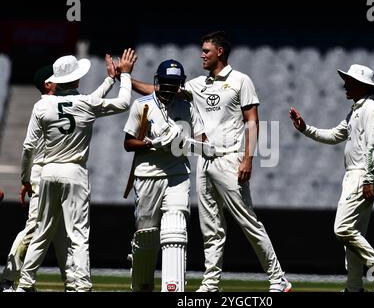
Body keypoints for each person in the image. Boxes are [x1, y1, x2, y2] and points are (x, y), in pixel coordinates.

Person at [128, 31, 291, 292]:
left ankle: (278, 279)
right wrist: (123, 78)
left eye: (206, 50)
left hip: (230, 159)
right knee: (211, 228)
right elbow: (159, 89)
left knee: (247, 221)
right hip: (204, 161)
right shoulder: (197, 84)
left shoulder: (240, 80)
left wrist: (248, 159)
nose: (202, 55)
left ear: (220, 52)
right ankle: (211, 283)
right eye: (202, 50)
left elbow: (252, 120)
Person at [15, 48, 137, 292]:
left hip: (48, 171)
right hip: (74, 172)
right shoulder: (85, 103)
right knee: (78, 235)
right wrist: (124, 75)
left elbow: (28, 147)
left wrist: (26, 179)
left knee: (41, 232)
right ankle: (81, 286)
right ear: (77, 78)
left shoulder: (43, 105)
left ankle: (25, 284)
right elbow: (123, 103)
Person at [289, 64, 374, 292]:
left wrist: (368, 178)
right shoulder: (356, 110)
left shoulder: (372, 110)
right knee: (353, 238)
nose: (345, 85)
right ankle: (354, 287)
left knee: (343, 229)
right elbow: (335, 135)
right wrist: (305, 128)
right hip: (355, 175)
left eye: (349, 81)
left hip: (361, 175)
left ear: (360, 85)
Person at [123, 59, 210, 292]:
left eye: (175, 83)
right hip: (148, 175)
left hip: (178, 174)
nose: (171, 88)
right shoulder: (142, 106)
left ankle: (174, 288)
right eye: (167, 83)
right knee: (147, 235)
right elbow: (129, 143)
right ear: (159, 82)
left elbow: (203, 143)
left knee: (176, 228)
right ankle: (142, 282)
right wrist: (151, 144)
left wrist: (182, 144)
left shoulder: (187, 108)